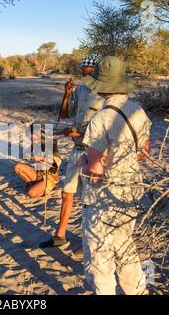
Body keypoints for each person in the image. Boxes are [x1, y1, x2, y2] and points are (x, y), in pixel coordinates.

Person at [80, 56, 152, 295]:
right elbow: (144, 153)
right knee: (125, 246)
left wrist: (83, 163)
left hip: (104, 195)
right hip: (131, 189)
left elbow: (96, 169)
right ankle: (138, 291)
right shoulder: (138, 111)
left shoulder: (100, 119)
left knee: (100, 254)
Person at [41, 54, 104, 248]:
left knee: (90, 200)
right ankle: (60, 236)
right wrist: (67, 94)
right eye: (83, 73)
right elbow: (64, 114)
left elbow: (103, 127)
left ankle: (90, 244)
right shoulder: (80, 90)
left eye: (89, 73)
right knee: (67, 194)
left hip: (94, 152)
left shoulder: (105, 95)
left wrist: (66, 132)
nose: (86, 77)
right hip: (76, 150)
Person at [14, 125, 62, 198]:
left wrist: (42, 159)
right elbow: (25, 154)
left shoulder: (50, 143)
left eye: (33, 138)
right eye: (31, 139)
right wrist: (29, 155)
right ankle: (34, 185)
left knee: (31, 193)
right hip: (38, 173)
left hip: (49, 176)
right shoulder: (35, 142)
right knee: (17, 167)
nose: (32, 141)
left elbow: (56, 161)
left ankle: (41, 187)